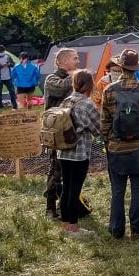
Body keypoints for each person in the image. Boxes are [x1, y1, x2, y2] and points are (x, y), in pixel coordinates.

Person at [100, 48, 139, 239]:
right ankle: (138, 230)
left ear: (120, 66)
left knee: (117, 191)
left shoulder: (109, 90)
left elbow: (105, 122)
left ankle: (116, 230)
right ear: (136, 68)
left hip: (116, 147)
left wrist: (107, 142)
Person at [57, 69, 101, 236]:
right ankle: (74, 227)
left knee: (67, 188)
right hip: (79, 153)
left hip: (63, 152)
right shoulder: (87, 104)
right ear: (90, 84)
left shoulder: (66, 101)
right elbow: (98, 129)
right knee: (75, 191)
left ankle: (66, 224)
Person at [43, 47, 79, 219]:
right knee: (56, 170)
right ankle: (50, 207)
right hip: (56, 134)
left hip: (71, 130)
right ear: (64, 61)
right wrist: (75, 76)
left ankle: (69, 203)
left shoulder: (72, 78)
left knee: (72, 171)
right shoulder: (52, 79)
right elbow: (61, 89)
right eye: (74, 58)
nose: (77, 61)